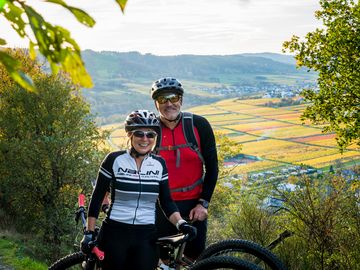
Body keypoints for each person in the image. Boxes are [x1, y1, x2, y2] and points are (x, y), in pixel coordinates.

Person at [80, 110, 197, 270]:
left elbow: (167, 202)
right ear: (130, 136)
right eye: (139, 134)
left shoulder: (159, 164)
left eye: (150, 135)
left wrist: (181, 224)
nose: (145, 139)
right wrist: (89, 232)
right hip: (115, 232)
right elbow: (97, 197)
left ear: (155, 138)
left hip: (146, 235)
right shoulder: (114, 160)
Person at [151, 77, 219, 261]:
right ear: (156, 104)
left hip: (193, 208)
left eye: (173, 98)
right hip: (160, 207)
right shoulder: (149, 130)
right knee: (164, 261)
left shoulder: (199, 125)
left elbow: (212, 168)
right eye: (162, 99)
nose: (169, 104)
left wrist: (203, 203)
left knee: (193, 260)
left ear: (181, 100)